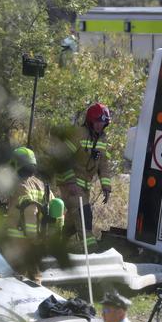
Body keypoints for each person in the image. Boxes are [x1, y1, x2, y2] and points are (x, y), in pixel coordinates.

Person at [54, 102, 114, 253]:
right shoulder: (78, 134)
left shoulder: (102, 140)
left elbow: (104, 164)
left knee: (73, 223)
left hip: (84, 186)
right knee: (84, 214)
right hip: (70, 184)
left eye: (103, 123)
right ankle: (91, 250)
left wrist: (106, 187)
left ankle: (57, 247)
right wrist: (70, 181)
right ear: (90, 120)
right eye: (98, 122)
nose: (100, 125)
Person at [2, 146, 63, 281]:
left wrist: (31, 238)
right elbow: (57, 210)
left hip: (20, 241)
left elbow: (30, 212)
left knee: (13, 278)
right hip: (39, 241)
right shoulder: (43, 186)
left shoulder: (21, 186)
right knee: (35, 278)